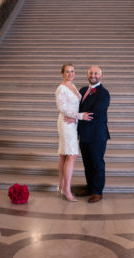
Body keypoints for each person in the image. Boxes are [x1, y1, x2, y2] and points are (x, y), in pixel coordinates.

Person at [71, 65, 110, 203]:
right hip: (84, 134)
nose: (93, 75)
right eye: (91, 73)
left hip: (97, 135)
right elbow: (75, 107)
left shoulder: (103, 93)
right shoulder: (82, 90)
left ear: (101, 76)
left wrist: (77, 116)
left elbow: (95, 113)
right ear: (87, 75)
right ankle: (90, 187)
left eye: (96, 73)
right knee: (87, 163)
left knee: (97, 163)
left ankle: (98, 191)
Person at [55, 64, 92, 202]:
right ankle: (67, 191)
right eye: (67, 72)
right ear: (62, 73)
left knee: (65, 155)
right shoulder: (61, 88)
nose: (70, 74)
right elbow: (62, 108)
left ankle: (62, 185)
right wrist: (80, 116)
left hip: (73, 122)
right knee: (72, 155)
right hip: (66, 123)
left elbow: (75, 105)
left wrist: (76, 117)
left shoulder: (73, 86)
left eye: (72, 71)